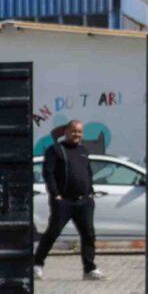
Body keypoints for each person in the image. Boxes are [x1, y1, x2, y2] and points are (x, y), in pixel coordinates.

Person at [34, 119, 102, 280]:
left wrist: (90, 191)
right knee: (53, 233)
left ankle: (89, 269)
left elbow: (87, 172)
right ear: (66, 132)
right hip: (64, 201)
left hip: (84, 201)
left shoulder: (83, 150)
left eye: (79, 132)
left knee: (88, 234)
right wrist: (55, 194)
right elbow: (48, 173)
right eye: (73, 131)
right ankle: (37, 264)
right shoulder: (55, 150)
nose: (76, 134)